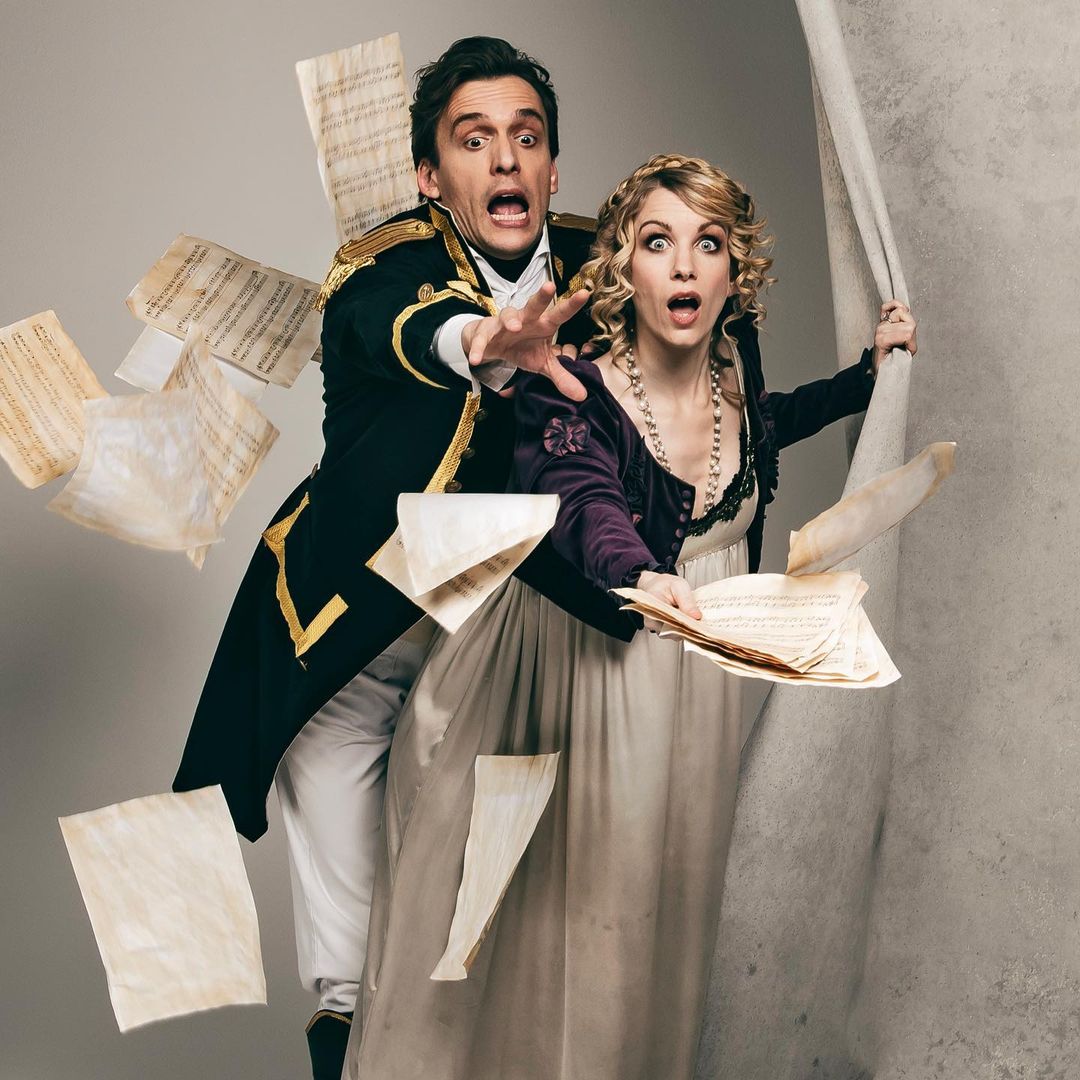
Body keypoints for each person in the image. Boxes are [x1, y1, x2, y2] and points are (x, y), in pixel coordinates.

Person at [342, 154, 918, 1079]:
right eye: (658, 243)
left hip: (689, 679)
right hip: (581, 669)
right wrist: (640, 573)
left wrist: (865, 382)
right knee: (578, 917)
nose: (684, 265)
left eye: (708, 244)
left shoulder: (732, 371)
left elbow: (759, 432)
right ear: (623, 267)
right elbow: (580, 495)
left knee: (667, 909)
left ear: (735, 272)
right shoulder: (569, 388)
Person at [171, 36, 623, 1080]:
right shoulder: (381, 266)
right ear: (430, 175)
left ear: (554, 168)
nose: (504, 160)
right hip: (351, 647)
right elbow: (407, 326)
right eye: (474, 140)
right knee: (352, 958)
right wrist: (487, 343)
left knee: (485, 934)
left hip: (511, 641)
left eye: (527, 138)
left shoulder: (603, 265)